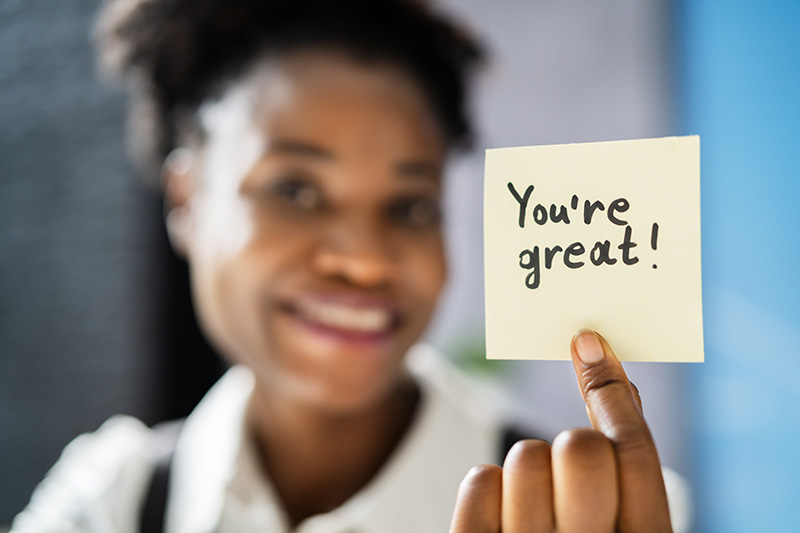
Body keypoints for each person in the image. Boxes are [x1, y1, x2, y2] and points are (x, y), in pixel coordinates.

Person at [12, 0, 689, 531]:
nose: (365, 260)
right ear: (185, 200)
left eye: (409, 205)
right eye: (295, 190)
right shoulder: (114, 501)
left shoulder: (609, 512)